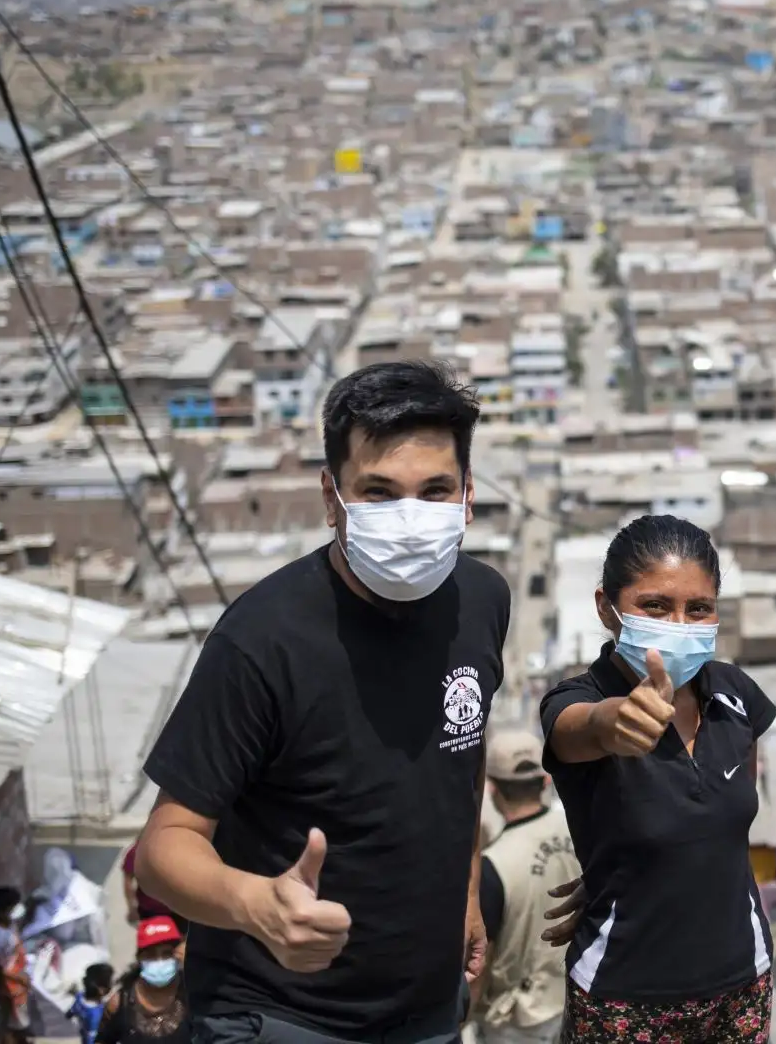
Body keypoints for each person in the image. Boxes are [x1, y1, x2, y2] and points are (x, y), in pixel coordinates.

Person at [135, 361, 511, 1044]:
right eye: (378, 491)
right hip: (280, 1014)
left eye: (435, 491)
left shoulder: (482, 600)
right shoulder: (262, 641)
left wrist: (464, 895)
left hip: (425, 1010)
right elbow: (165, 847)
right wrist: (257, 905)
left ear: (468, 496)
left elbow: (463, 745)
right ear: (332, 497)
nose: (409, 518)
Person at [540, 514, 776, 1043]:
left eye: (698, 609)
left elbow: (729, 826)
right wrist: (613, 722)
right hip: (626, 998)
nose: (678, 625)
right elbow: (578, 732)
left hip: (744, 983)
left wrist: (649, 869)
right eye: (655, 606)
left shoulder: (735, 695)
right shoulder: (578, 700)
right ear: (607, 608)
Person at [472, 730, 582, 1044]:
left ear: (491, 789)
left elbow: (481, 961)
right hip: (577, 998)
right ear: (545, 782)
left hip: (518, 1022)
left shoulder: (493, 865)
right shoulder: (579, 831)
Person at [98, 917, 190, 1044]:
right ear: (139, 958)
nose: (160, 960)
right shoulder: (119, 1003)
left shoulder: (193, 992)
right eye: (151, 954)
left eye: (166, 953)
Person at [0, 885, 33, 1044]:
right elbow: (2, 967)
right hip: (12, 985)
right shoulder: (0, 936)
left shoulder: (10, 926)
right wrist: (21, 979)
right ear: (1, 912)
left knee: (18, 1019)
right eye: (12, 907)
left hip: (18, 979)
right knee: (15, 1022)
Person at [122, 843, 186, 935]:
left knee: (158, 943)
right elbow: (128, 881)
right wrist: (132, 908)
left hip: (172, 910)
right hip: (156, 910)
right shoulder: (138, 851)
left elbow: (128, 881)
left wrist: (132, 908)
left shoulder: (138, 850)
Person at [70, 962, 116, 1044]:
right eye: (111, 982)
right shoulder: (98, 1014)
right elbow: (93, 1039)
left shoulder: (79, 997)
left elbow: (72, 1012)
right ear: (102, 990)